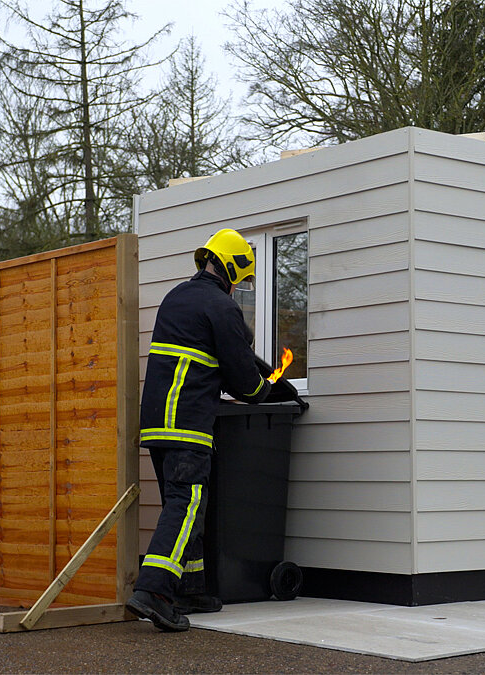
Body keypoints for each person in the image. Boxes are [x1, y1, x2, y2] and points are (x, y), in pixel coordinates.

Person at [125, 228, 271, 632]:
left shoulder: (176, 297)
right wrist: (264, 389)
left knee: (185, 505)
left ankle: (187, 588)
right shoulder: (220, 307)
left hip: (156, 423)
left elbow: (204, 361)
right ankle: (154, 592)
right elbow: (242, 376)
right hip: (186, 424)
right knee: (186, 505)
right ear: (233, 268)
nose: (240, 287)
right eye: (242, 279)